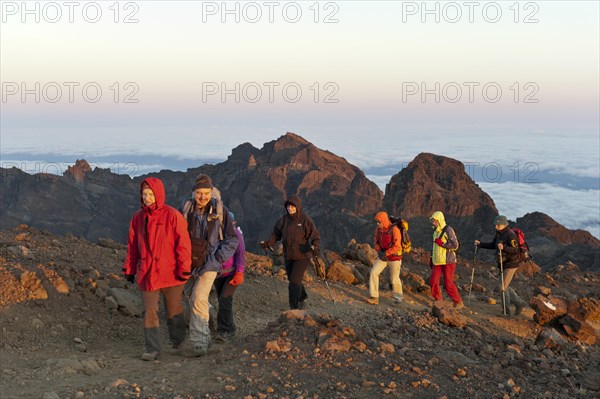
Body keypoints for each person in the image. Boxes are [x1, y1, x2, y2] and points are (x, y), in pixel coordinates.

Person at [123, 177, 192, 361]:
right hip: (148, 272)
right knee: (149, 310)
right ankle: (152, 348)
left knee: (174, 310)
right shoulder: (138, 218)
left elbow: (183, 244)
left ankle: (179, 343)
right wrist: (129, 269)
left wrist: (184, 269)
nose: (147, 197)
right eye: (144, 194)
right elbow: (133, 246)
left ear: (158, 194)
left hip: (172, 272)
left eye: (150, 194)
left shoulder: (172, 215)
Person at [180, 174, 238, 356]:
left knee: (197, 298)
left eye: (206, 193)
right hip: (189, 263)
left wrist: (217, 259)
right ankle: (206, 329)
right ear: (193, 193)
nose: (202, 197)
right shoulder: (186, 209)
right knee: (182, 297)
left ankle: (200, 343)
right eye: (199, 193)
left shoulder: (221, 212)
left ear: (211, 192)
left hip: (210, 264)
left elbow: (232, 239)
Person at [260, 196, 320, 310]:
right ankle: (303, 297)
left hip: (303, 256)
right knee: (293, 279)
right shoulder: (283, 220)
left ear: (297, 207)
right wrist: (269, 243)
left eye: (292, 206)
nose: (290, 208)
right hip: (288, 255)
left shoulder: (304, 219)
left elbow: (315, 235)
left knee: (294, 282)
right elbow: (276, 234)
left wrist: (315, 246)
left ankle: (294, 309)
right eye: (288, 206)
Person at [475, 215, 527, 316]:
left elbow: (516, 250)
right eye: (496, 225)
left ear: (504, 225)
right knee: (504, 286)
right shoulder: (499, 233)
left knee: (502, 287)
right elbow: (493, 245)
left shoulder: (510, 235)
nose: (496, 227)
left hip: (511, 264)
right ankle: (519, 303)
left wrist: (504, 247)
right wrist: (480, 244)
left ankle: (506, 313)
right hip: (503, 263)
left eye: (498, 225)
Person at [213, 212, 245, 343]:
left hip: (232, 272)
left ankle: (225, 330)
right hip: (218, 273)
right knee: (223, 301)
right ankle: (230, 327)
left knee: (225, 299)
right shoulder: (214, 232)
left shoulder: (236, 234)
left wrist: (239, 272)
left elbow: (241, 253)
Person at [366, 211, 404, 305]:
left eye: (379, 222)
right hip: (383, 256)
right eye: (377, 222)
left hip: (394, 257)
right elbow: (376, 238)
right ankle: (374, 297)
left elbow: (397, 246)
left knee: (394, 278)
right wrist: (377, 246)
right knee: (374, 272)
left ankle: (398, 299)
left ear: (384, 220)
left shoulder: (395, 230)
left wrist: (387, 253)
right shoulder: (379, 229)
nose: (377, 224)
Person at [429, 211, 464, 309]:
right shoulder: (435, 232)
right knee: (433, 281)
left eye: (435, 221)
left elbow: (455, 245)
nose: (433, 223)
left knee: (448, 283)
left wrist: (442, 244)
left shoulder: (448, 230)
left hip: (448, 261)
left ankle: (458, 302)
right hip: (437, 261)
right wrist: (432, 257)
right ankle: (438, 301)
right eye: (432, 221)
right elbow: (434, 247)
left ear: (439, 220)